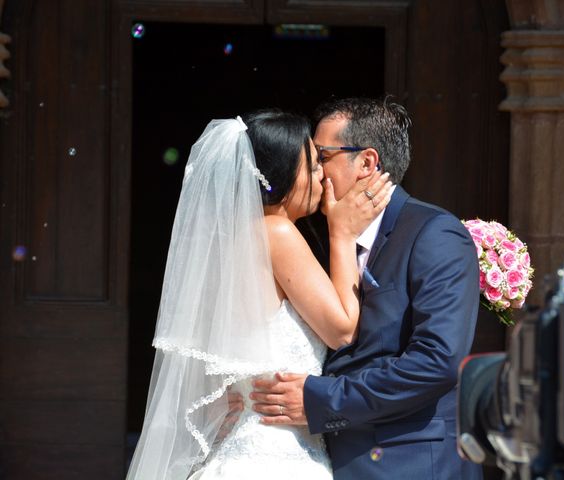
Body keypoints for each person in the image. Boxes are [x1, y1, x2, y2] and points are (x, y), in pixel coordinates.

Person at [126, 110, 392, 479]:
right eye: (313, 165)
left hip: (250, 442)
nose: (323, 177)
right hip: (275, 455)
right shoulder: (277, 233)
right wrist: (342, 234)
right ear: (282, 173)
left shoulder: (237, 241)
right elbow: (343, 331)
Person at [251, 97, 483, 479]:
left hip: (405, 462)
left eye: (322, 156)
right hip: (318, 457)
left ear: (367, 163)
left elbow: (436, 361)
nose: (314, 172)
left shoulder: (432, 233)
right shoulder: (317, 235)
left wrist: (322, 401)